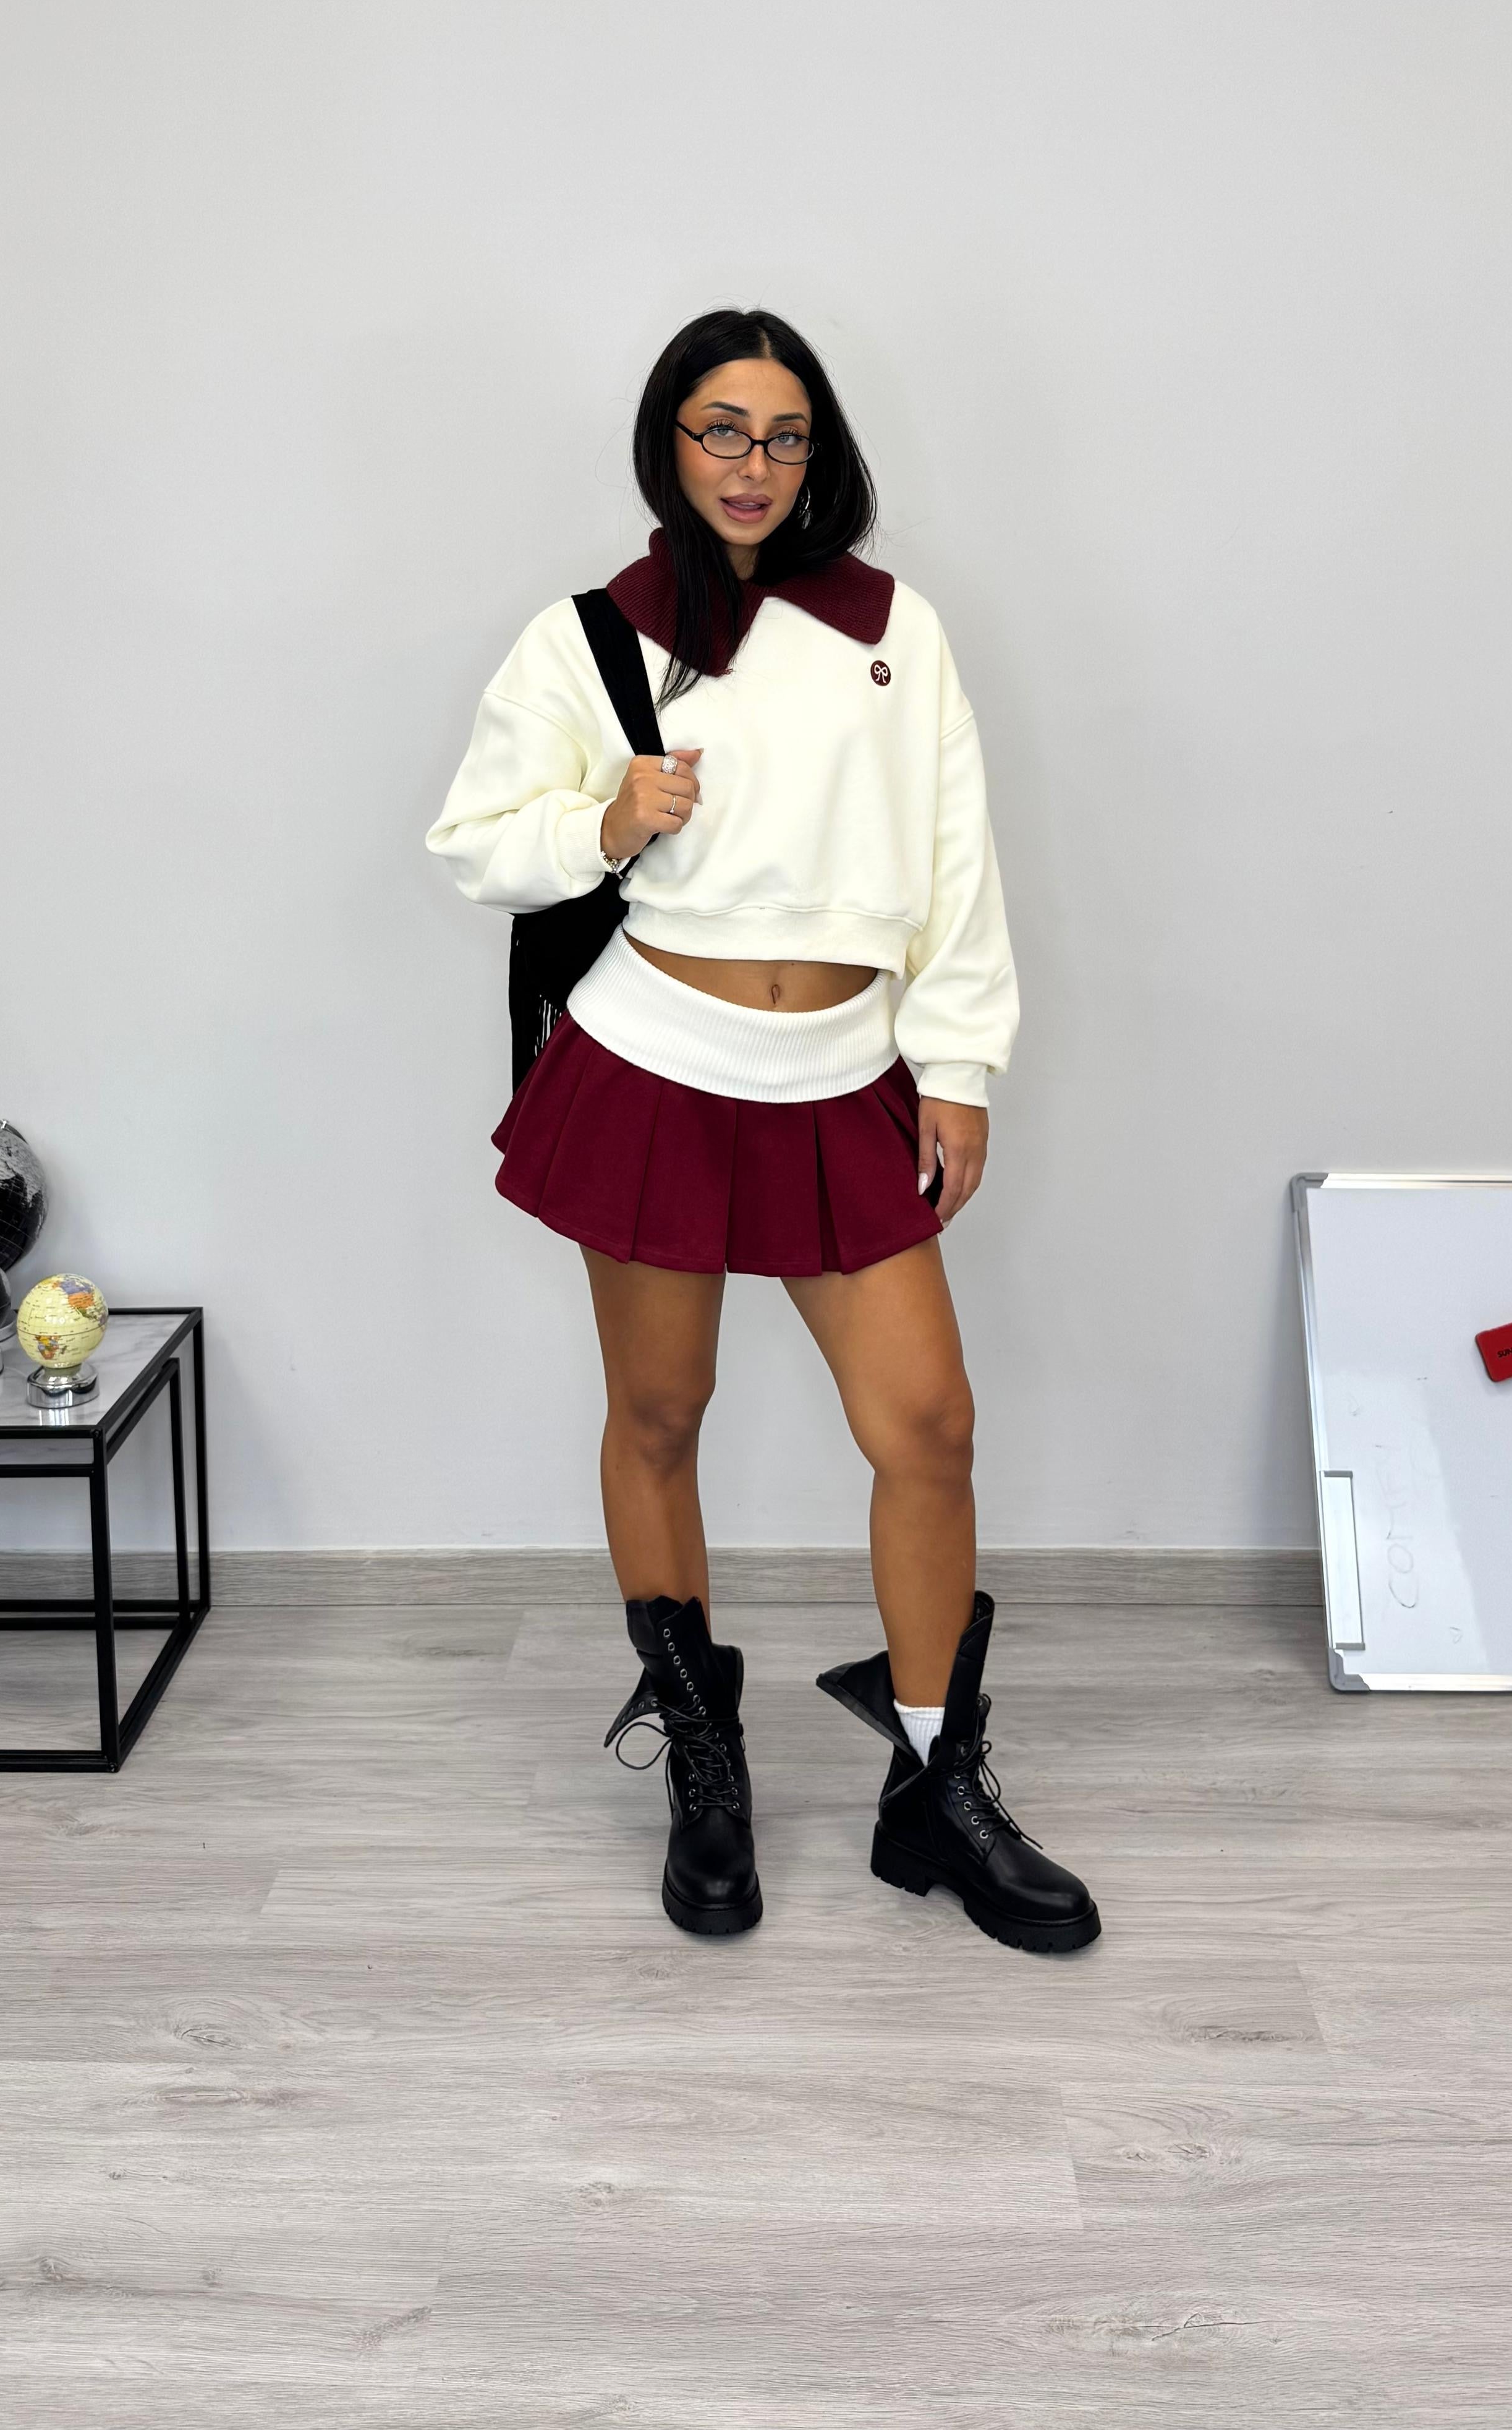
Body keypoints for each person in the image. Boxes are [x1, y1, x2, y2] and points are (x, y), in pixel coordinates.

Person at [427, 309, 1097, 1955]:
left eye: (784, 435)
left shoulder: (893, 630)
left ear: (821, 453)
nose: (751, 465)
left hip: (844, 1072)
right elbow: (474, 843)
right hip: (656, 1059)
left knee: (926, 1426)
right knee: (661, 1412)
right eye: (720, 430)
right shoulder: (595, 637)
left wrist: (959, 1065)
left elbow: (957, 863)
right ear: (669, 442)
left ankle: (936, 1786)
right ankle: (704, 1764)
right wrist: (602, 819)